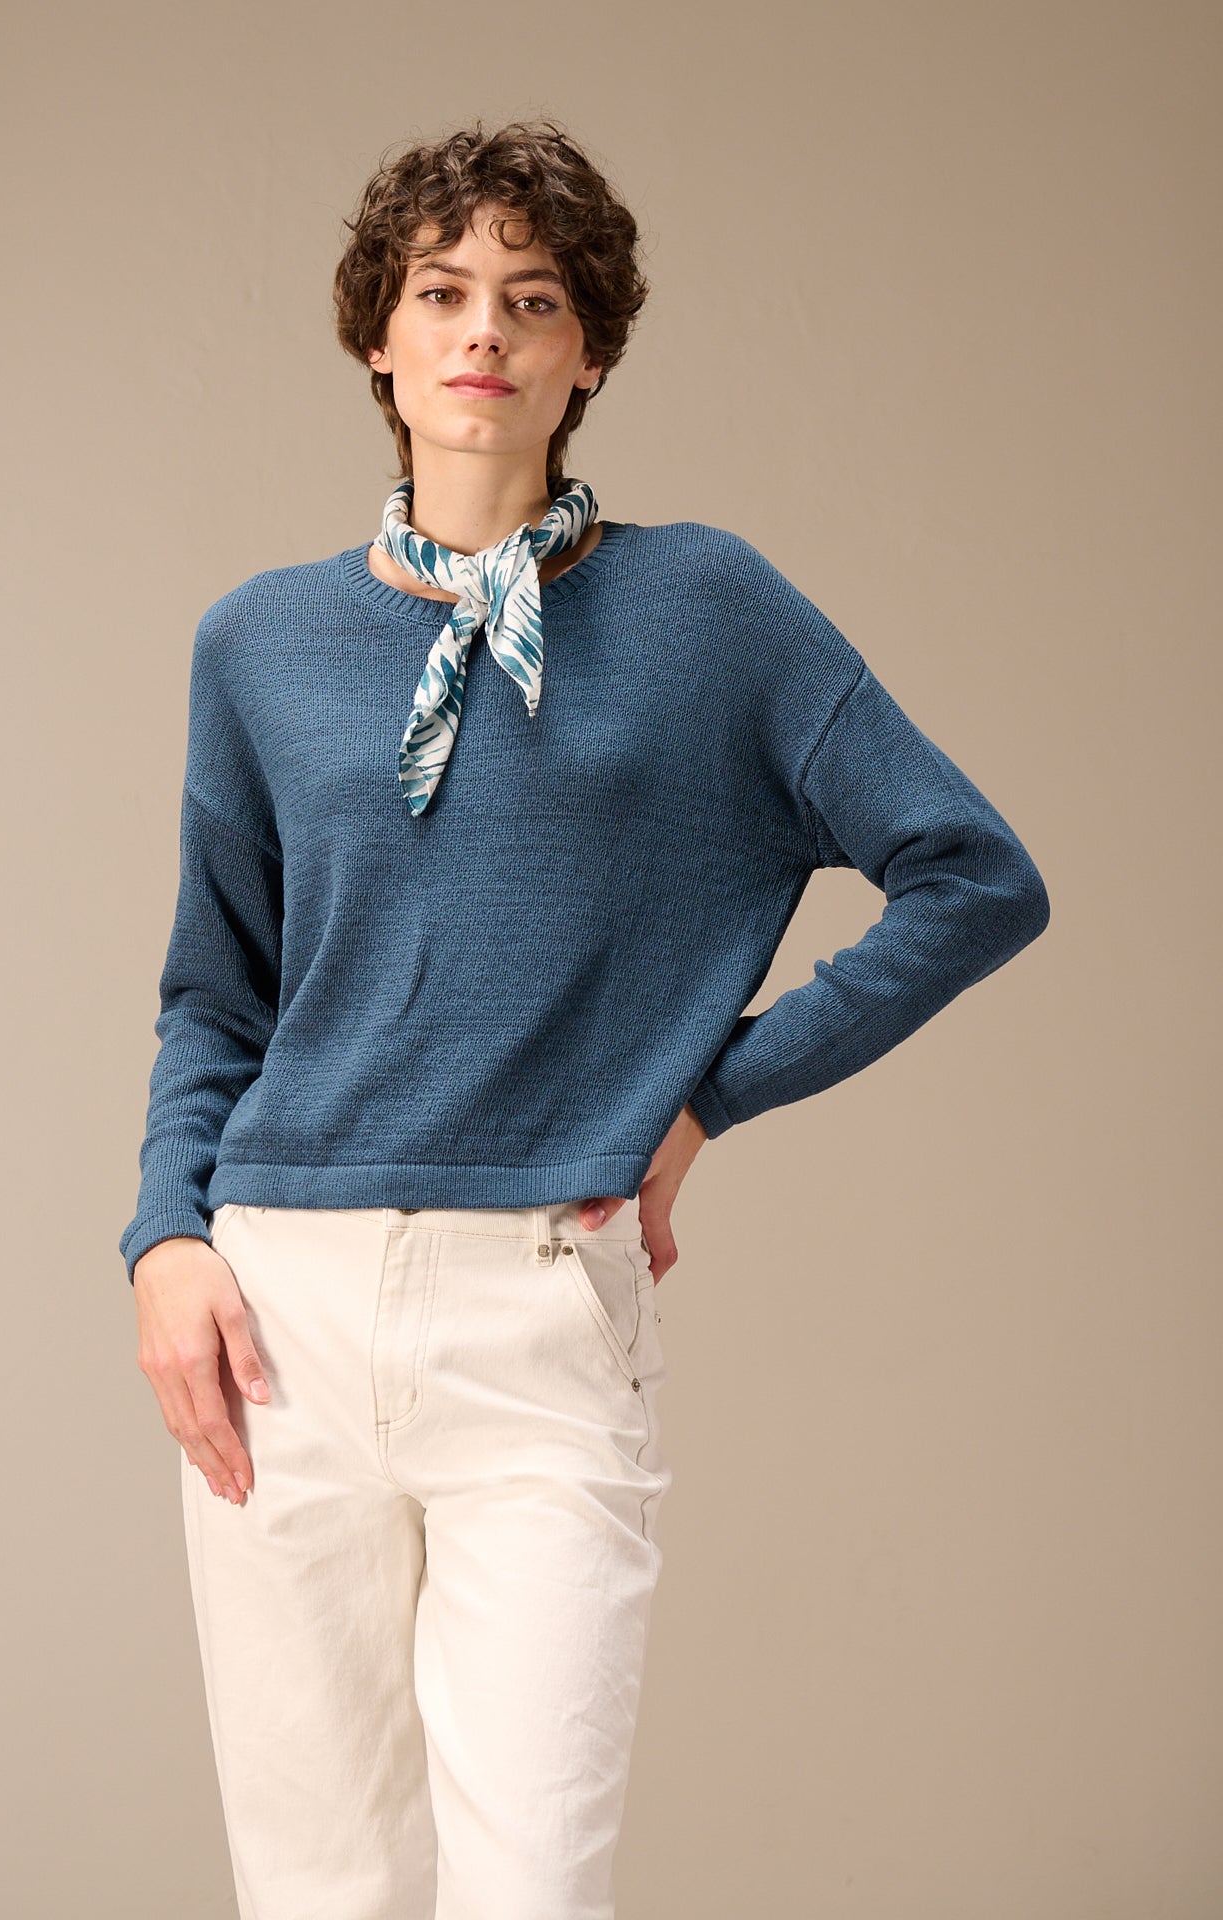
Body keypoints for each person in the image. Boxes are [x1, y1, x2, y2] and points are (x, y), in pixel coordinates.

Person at [119, 118, 1050, 1920]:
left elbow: (973, 874)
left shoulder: (706, 610)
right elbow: (213, 991)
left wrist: (708, 1100)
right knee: (316, 1887)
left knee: (533, 1887)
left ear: (590, 355)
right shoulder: (260, 642)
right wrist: (166, 1235)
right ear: (379, 337)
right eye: (442, 291)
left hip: (542, 1306)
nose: (484, 328)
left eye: (532, 299)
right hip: (277, 1308)